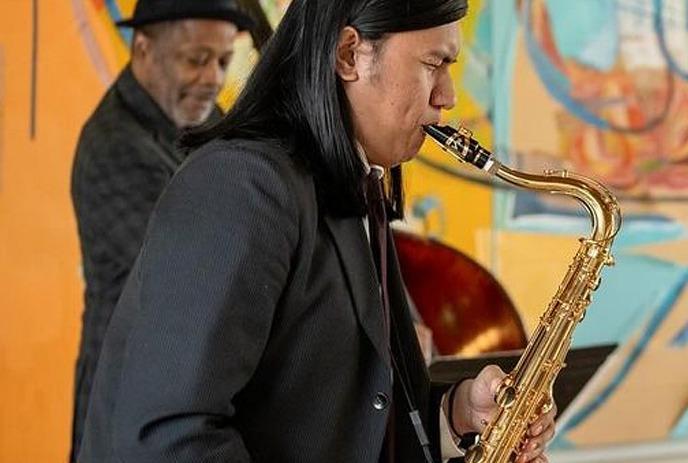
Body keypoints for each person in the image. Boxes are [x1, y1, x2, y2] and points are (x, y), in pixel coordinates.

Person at [78, 1, 556, 462]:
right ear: (349, 54)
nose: (447, 96)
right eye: (434, 63)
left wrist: (457, 416)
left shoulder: (350, 182)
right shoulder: (243, 184)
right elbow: (170, 437)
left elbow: (343, 420)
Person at [69, 1, 260, 460]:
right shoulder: (114, 149)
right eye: (196, 60)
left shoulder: (204, 118)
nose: (213, 79)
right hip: (126, 413)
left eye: (222, 61)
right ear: (144, 50)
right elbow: (195, 285)